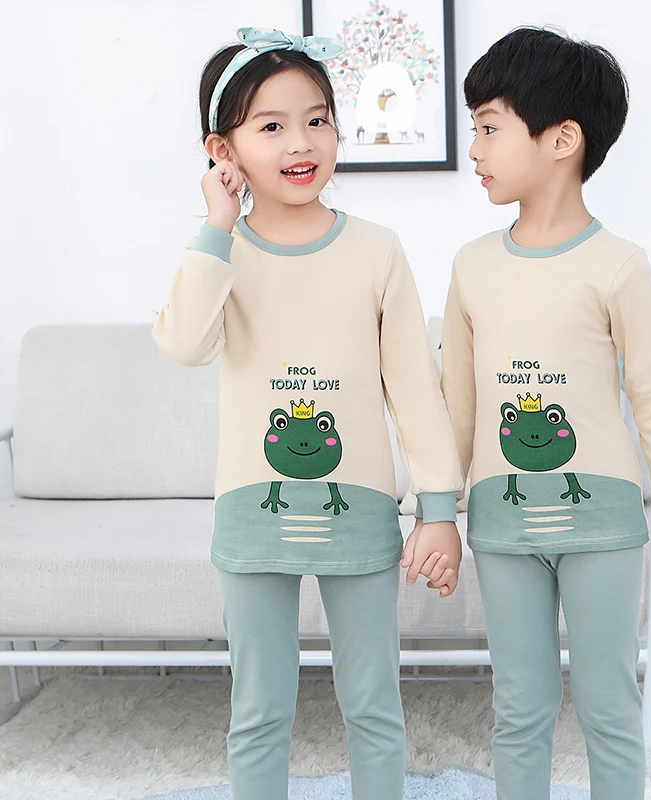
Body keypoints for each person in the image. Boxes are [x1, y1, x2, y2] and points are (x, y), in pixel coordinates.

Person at [152, 27, 464, 800]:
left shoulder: (377, 250)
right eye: (272, 125)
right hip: (252, 514)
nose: (302, 142)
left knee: (373, 706)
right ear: (222, 150)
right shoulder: (218, 251)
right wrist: (217, 223)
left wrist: (437, 509)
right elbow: (186, 343)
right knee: (259, 711)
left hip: (357, 508)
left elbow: (414, 390)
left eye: (317, 119)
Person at [440, 26, 651, 800]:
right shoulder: (472, 266)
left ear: (562, 139)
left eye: (489, 128)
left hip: (603, 524)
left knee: (607, 706)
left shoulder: (619, 266)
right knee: (519, 708)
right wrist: (435, 508)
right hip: (503, 523)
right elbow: (457, 403)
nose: (475, 150)